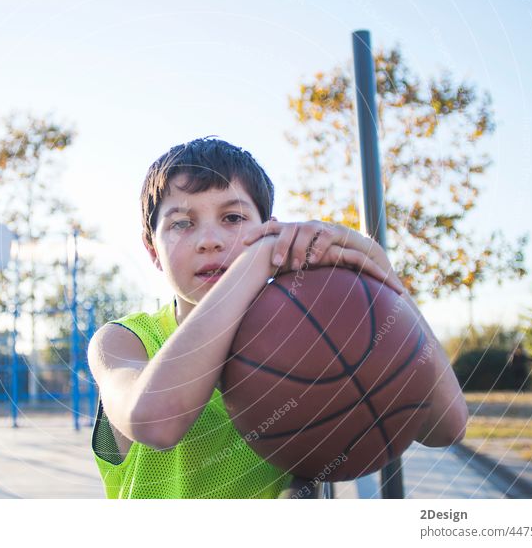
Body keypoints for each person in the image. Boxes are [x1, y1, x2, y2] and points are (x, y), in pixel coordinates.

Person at [87, 137, 468, 499]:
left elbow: (447, 426)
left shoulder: (312, 333)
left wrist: (384, 278)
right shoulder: (124, 340)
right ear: (152, 249)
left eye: (233, 217)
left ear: (269, 226)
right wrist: (258, 256)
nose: (210, 239)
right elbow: (156, 421)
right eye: (182, 224)